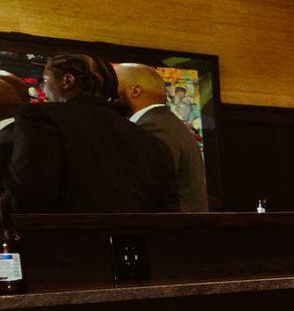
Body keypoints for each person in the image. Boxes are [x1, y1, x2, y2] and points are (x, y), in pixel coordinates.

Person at [7, 53, 176, 212]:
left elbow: (30, 191)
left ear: (67, 80)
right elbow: (167, 210)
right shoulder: (152, 141)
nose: (44, 89)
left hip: (62, 232)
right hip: (137, 234)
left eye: (45, 80)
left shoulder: (40, 117)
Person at [116, 64, 210, 211]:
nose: (108, 94)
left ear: (135, 91)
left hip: (172, 225)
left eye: (114, 86)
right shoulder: (166, 122)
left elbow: (148, 189)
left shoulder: (153, 127)